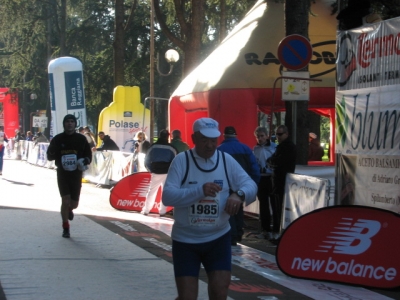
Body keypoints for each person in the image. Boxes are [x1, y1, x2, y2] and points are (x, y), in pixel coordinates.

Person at [162, 118, 257, 300]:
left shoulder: (225, 160)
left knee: (220, 292)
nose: (210, 145)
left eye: (213, 140)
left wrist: (239, 194)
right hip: (186, 240)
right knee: (188, 297)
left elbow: (250, 185)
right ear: (194, 138)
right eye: (204, 140)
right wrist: (199, 191)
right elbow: (168, 196)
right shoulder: (182, 161)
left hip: (218, 239)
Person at [46, 114, 92, 238]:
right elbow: (49, 156)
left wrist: (84, 160)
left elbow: (89, 156)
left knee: (74, 204)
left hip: (76, 175)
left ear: (75, 124)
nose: (70, 124)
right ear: (64, 124)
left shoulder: (81, 139)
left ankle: (70, 210)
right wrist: (51, 151)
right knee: (65, 200)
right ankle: (65, 227)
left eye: (72, 121)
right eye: (67, 122)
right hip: (62, 174)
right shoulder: (58, 139)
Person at [218, 126, 260, 245]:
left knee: (228, 209)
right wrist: (253, 185)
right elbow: (254, 168)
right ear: (236, 136)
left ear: (224, 136)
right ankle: (238, 234)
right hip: (242, 186)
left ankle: (231, 235)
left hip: (225, 186)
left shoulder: (219, 150)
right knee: (238, 209)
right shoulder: (245, 149)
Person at [268, 125, 296, 241]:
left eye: (280, 134)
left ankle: (279, 232)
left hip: (282, 181)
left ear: (286, 134)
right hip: (278, 180)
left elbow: (278, 161)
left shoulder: (288, 147)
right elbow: (272, 160)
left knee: (279, 207)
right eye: (276, 134)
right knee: (276, 206)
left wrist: (273, 162)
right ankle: (276, 231)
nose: (278, 137)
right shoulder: (281, 147)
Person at [141, 129, 177, 215]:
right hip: (167, 172)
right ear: (168, 136)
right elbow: (176, 161)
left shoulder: (153, 147)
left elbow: (146, 160)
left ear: (159, 136)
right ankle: (162, 211)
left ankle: (146, 210)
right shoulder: (171, 148)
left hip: (155, 171)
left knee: (152, 191)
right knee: (165, 191)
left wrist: (150, 170)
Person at [253, 126, 276, 240]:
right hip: (261, 179)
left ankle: (275, 229)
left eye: (262, 136)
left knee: (274, 204)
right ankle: (265, 229)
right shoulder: (255, 149)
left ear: (267, 136)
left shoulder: (274, 147)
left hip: (272, 178)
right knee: (263, 205)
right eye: (258, 137)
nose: (260, 139)